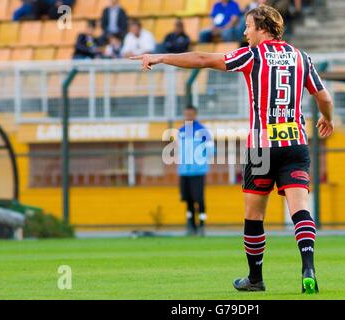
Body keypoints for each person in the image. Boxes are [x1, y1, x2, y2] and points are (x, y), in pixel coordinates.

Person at [131, 4, 334, 294]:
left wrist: (161, 56)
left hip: (261, 146)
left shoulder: (252, 55)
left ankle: (255, 278)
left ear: (262, 28)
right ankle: (308, 267)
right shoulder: (302, 57)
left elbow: (202, 57)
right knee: (300, 209)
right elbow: (324, 97)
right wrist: (327, 119)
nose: (244, 32)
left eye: (248, 26)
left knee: (254, 216)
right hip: (295, 143)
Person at [177, 106, 213, 236]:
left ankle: (202, 225)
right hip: (184, 171)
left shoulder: (202, 131)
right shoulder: (180, 131)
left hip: (198, 170)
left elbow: (211, 150)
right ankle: (191, 225)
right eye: (186, 114)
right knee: (188, 199)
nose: (188, 117)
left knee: (199, 198)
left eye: (191, 114)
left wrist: (201, 160)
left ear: (195, 115)